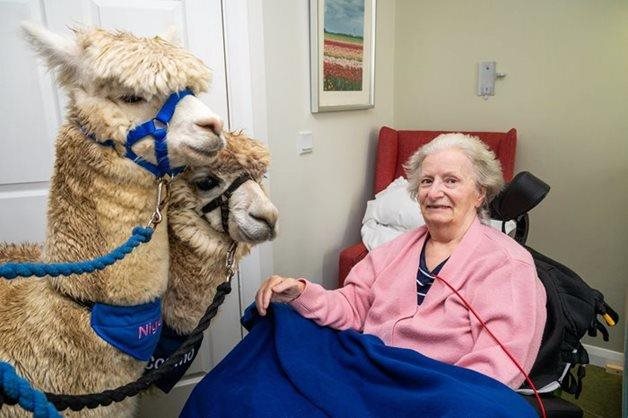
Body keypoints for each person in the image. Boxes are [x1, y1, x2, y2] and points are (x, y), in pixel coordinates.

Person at [256, 133, 547, 389]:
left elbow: (499, 361)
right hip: (370, 369)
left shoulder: (507, 264)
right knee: (275, 333)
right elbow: (352, 306)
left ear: (480, 193)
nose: (434, 192)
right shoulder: (392, 251)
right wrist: (301, 293)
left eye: (451, 181)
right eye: (426, 181)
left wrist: (438, 396)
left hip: (442, 387)